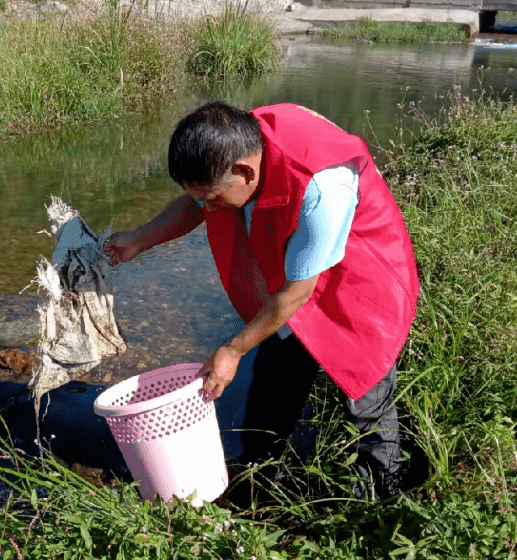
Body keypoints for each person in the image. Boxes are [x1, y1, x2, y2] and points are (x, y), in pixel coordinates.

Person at [104, 102, 420, 500]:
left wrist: (234, 348)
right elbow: (198, 202)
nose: (209, 208)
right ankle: (261, 479)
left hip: (358, 279)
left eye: (214, 199)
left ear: (245, 173)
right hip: (295, 268)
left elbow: (297, 293)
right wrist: (139, 240)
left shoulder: (324, 186)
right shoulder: (231, 147)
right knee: (273, 383)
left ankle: (382, 498)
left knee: (366, 395)